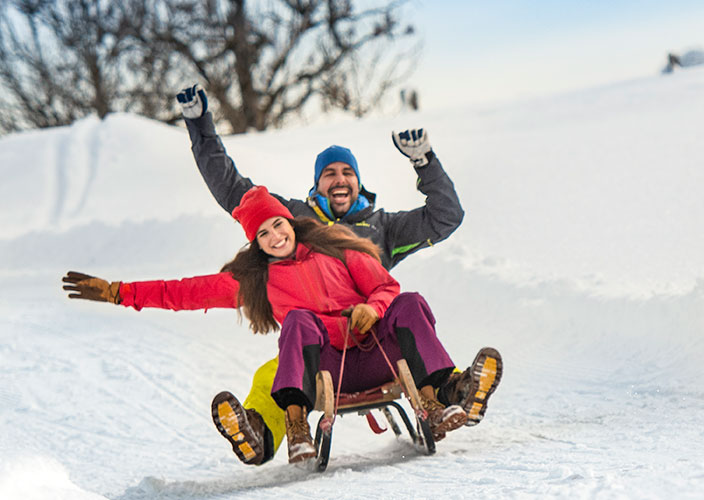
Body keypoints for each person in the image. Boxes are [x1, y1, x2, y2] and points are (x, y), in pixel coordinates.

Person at [62, 187, 503, 464]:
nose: (275, 236)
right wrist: (120, 292)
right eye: (264, 234)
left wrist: (373, 306)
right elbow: (185, 291)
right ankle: (289, 428)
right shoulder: (258, 281)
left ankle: (447, 396)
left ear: (289, 221)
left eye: (278, 224)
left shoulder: (337, 249)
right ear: (255, 243)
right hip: (326, 370)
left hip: (379, 355)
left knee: (408, 302)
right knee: (296, 324)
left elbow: (385, 286)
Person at [171, 85, 488, 465]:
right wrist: (198, 124)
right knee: (268, 376)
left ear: (358, 182)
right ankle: (259, 435)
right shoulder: (292, 221)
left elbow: (445, 217)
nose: (339, 180)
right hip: (317, 347)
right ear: (316, 184)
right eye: (329, 174)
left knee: (413, 323)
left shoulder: (382, 228)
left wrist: (425, 162)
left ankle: (459, 392)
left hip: (375, 345)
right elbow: (232, 189)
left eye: (347, 172)